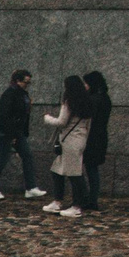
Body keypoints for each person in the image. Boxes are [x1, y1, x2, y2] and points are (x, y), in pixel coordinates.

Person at [0, 68, 45, 201]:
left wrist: (22, 132)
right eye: (25, 82)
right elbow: (6, 115)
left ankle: (30, 187)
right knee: (2, 159)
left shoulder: (22, 94)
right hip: (7, 132)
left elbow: (23, 115)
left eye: (29, 82)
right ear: (17, 81)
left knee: (27, 156)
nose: (27, 85)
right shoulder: (10, 94)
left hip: (17, 132)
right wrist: (12, 135)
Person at [43, 74, 91, 218]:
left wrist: (47, 119)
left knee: (73, 174)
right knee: (58, 170)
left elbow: (62, 122)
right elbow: (88, 125)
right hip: (79, 139)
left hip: (70, 140)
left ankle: (76, 206)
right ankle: (58, 202)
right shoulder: (87, 101)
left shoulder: (69, 101)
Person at [79, 70, 112, 213]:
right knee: (92, 169)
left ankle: (89, 199)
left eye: (86, 83)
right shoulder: (105, 98)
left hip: (91, 138)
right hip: (100, 136)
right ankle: (91, 199)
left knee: (90, 169)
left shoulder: (94, 99)